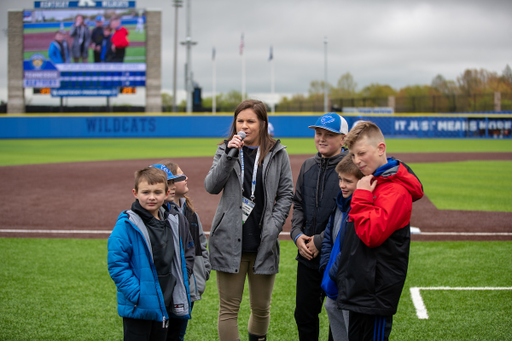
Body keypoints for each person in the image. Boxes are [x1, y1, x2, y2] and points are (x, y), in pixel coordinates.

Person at [205, 99, 294, 341]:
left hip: (264, 241)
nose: (244, 125)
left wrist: (274, 226)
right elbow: (211, 186)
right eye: (240, 121)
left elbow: (286, 193)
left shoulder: (278, 153)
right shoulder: (226, 150)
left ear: (263, 124)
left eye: (250, 121)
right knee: (229, 310)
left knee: (261, 308)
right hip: (228, 241)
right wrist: (229, 155)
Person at [336, 121, 424, 341]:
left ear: (381, 149)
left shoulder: (395, 190)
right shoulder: (373, 181)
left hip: (375, 292)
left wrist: (362, 195)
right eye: (354, 155)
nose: (357, 161)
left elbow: (371, 235)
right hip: (362, 286)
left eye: (362, 153)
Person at [107, 165, 194, 341]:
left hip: (166, 302)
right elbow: (117, 264)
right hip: (139, 306)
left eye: (157, 192)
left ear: (167, 192)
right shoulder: (126, 224)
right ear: (135, 193)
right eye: (146, 192)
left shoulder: (172, 222)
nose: (152, 197)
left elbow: (182, 255)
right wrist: (137, 294)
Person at [290, 112, 349, 341]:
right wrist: (297, 235)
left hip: (336, 256)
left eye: (329, 134)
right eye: (318, 133)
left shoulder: (351, 169)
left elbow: (348, 214)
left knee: (337, 316)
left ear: (343, 139)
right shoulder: (307, 166)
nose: (322, 138)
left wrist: (320, 240)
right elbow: (298, 203)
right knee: (304, 314)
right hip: (306, 254)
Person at [163, 160, 211, 341]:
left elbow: (201, 244)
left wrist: (203, 271)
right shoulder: (160, 213)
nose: (186, 178)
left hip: (190, 285)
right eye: (181, 176)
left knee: (178, 334)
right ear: (170, 183)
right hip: (169, 286)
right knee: (164, 333)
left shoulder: (190, 212)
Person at [319, 155, 364, 341]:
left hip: (349, 284)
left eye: (348, 181)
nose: (342, 185)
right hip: (334, 278)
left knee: (352, 327)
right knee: (331, 308)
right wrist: (326, 266)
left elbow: (353, 247)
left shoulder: (361, 208)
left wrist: (335, 272)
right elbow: (329, 236)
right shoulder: (340, 204)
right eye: (340, 179)